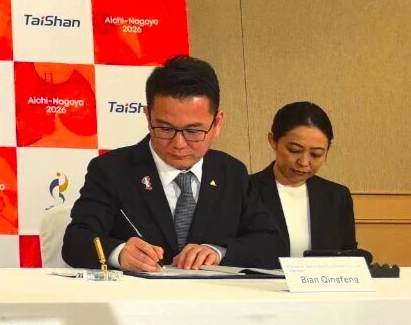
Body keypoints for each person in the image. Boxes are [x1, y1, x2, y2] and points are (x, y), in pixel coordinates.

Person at [62, 55, 283, 271]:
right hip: (138, 294)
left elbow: (271, 243)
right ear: (148, 117)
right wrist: (118, 252)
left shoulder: (231, 172)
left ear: (217, 123)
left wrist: (218, 251)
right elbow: (76, 240)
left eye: (193, 131)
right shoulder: (112, 169)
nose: (179, 144)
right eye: (165, 129)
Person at [249, 102, 356, 257]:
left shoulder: (337, 196)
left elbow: (348, 255)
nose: (304, 162)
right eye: (294, 150)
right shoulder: (246, 189)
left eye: (316, 154)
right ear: (273, 141)